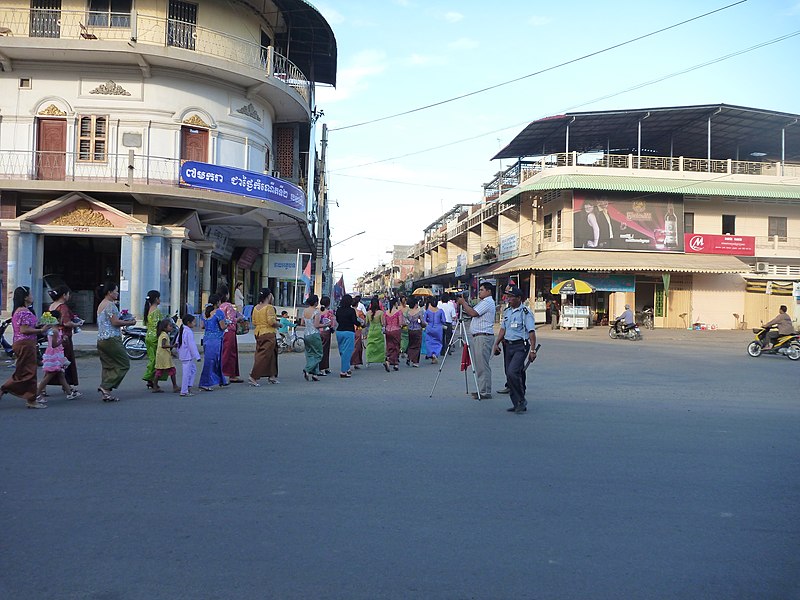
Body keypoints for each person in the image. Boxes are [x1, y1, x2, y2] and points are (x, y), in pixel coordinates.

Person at [0, 286, 52, 409]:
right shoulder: (23, 311)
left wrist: (39, 326)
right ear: (25, 297)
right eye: (30, 294)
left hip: (23, 343)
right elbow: (24, 329)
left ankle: (29, 397)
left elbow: (26, 326)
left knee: (24, 371)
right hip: (25, 344)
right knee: (29, 372)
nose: (32, 296)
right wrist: (40, 330)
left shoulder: (20, 310)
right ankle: (29, 399)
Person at [493, 286, 537, 414]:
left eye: (512, 297)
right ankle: (516, 402)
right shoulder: (507, 312)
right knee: (509, 374)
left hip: (520, 346)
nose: (509, 299)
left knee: (513, 372)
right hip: (508, 346)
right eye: (508, 296)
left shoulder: (525, 313)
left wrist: (532, 350)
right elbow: (503, 329)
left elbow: (531, 332)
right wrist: (497, 343)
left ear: (519, 298)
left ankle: (521, 399)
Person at [456, 281, 497, 399]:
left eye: (482, 290)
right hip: (479, 336)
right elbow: (471, 312)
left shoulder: (487, 302)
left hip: (483, 336)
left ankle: (485, 391)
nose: (479, 292)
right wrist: (465, 304)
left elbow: (473, 313)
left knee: (482, 365)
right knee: (480, 365)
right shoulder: (483, 302)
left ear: (489, 291)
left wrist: (463, 303)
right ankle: (482, 389)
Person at [95, 281, 131, 402]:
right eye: (116, 291)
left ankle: (106, 393)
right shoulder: (110, 305)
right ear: (109, 292)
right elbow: (115, 322)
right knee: (124, 363)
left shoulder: (101, 304)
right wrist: (129, 322)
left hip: (101, 339)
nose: (117, 293)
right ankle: (106, 386)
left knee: (108, 366)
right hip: (111, 338)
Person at [47, 285, 82, 397]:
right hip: (64, 337)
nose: (69, 296)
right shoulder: (63, 307)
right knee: (63, 362)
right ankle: (43, 386)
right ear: (64, 295)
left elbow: (46, 322)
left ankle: (66, 386)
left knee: (56, 362)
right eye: (68, 294)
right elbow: (66, 322)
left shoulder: (51, 306)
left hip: (52, 335)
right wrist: (77, 324)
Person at [36, 309, 74, 403]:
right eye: (61, 318)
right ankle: (37, 394)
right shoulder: (55, 331)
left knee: (61, 374)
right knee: (50, 375)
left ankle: (69, 393)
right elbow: (54, 345)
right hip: (54, 355)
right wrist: (63, 340)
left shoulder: (52, 330)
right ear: (57, 319)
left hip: (55, 354)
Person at [249, 288, 279, 386]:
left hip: (258, 332)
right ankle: (253, 376)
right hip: (268, 333)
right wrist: (279, 324)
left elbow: (253, 322)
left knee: (271, 355)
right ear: (269, 296)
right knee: (264, 356)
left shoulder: (256, 307)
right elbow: (271, 321)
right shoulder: (269, 307)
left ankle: (272, 375)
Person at [199, 294, 227, 391]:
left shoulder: (204, 313)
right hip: (216, 339)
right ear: (217, 302)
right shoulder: (219, 313)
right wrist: (228, 324)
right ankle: (205, 382)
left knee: (213, 360)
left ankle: (221, 380)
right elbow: (222, 327)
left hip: (207, 338)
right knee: (213, 361)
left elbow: (202, 326)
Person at [218, 284, 244, 383]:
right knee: (230, 353)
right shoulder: (228, 306)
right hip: (230, 331)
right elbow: (232, 319)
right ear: (226, 294)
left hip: (221, 331)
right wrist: (239, 318)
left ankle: (229, 374)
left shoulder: (218, 306)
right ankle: (228, 374)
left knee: (224, 352)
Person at [142, 290, 164, 389]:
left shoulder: (148, 310)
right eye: (159, 298)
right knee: (157, 360)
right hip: (155, 337)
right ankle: (150, 377)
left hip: (148, 336)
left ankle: (150, 379)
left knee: (152, 358)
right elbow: (158, 325)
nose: (160, 300)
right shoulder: (156, 311)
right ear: (156, 299)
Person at [176, 314, 201, 396]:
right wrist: (197, 356)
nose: (194, 324)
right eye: (193, 322)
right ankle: (184, 390)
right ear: (188, 322)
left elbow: (177, 342)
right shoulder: (188, 331)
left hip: (184, 354)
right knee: (187, 373)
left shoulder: (183, 330)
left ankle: (188, 386)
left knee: (192, 370)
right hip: (187, 355)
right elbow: (192, 345)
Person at [152, 317, 179, 393]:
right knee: (172, 370)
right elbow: (163, 345)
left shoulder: (162, 334)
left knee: (159, 371)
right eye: (170, 326)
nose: (171, 327)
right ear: (165, 327)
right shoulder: (164, 335)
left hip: (161, 355)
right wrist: (172, 346)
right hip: (164, 356)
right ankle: (175, 386)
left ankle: (155, 386)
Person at [334, 294, 358, 378]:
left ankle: (347, 368)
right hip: (349, 332)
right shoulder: (351, 311)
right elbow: (355, 321)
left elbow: (337, 319)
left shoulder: (338, 310)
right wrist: (361, 324)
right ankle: (343, 371)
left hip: (339, 331)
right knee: (347, 352)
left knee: (342, 351)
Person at [301, 294, 324, 381]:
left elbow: (302, 323)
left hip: (306, 333)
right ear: (315, 302)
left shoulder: (305, 311)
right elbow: (316, 325)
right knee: (319, 354)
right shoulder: (316, 312)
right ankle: (307, 369)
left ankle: (315, 374)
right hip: (314, 333)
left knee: (310, 354)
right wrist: (326, 324)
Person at [384, 297, 405, 371]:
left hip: (388, 330)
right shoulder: (398, 312)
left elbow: (384, 323)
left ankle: (393, 362)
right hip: (396, 330)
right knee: (396, 347)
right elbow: (400, 323)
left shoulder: (386, 312)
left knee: (390, 347)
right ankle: (390, 362)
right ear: (396, 303)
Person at [365, 296, 386, 367]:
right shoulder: (381, 313)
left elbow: (366, 323)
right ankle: (381, 359)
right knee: (380, 346)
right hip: (378, 330)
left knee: (370, 346)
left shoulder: (368, 313)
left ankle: (368, 360)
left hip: (371, 330)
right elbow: (383, 323)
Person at [423, 298, 445, 364]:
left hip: (429, 327)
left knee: (429, 342)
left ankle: (431, 354)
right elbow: (444, 320)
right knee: (438, 342)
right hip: (438, 328)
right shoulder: (440, 311)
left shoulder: (427, 311)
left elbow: (424, 320)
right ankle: (435, 353)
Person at [405, 297, 425, 367]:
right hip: (417, 329)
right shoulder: (419, 312)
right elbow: (422, 321)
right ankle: (415, 361)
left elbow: (406, 321)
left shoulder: (408, 312)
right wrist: (423, 325)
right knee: (417, 346)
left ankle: (409, 357)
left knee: (411, 344)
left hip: (410, 329)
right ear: (416, 304)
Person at [319, 295, 336, 376]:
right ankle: (323, 368)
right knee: (325, 350)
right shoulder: (329, 312)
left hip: (318, 331)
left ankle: (324, 367)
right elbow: (332, 323)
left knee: (319, 350)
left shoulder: (318, 311)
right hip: (326, 332)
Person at [351, 296, 366, 370]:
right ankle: (355, 362)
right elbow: (363, 322)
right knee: (357, 347)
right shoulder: (359, 312)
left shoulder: (349, 311)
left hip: (349, 330)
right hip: (357, 330)